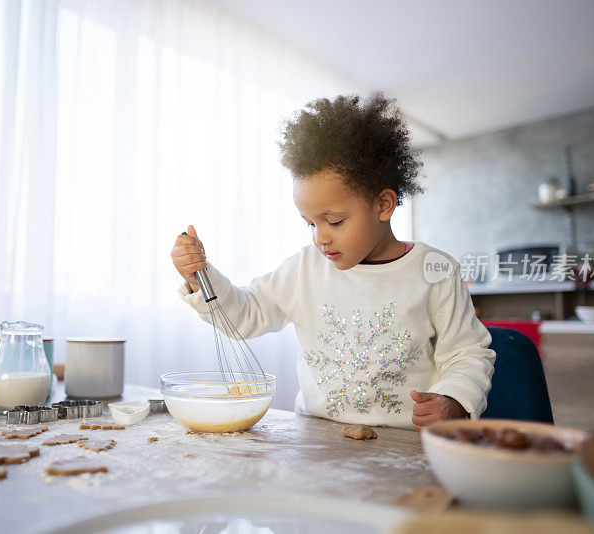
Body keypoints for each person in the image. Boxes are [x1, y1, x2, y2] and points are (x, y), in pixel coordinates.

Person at [170, 93, 495, 430]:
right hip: (317, 440)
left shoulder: (435, 271)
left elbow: (467, 353)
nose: (320, 237)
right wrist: (199, 278)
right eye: (311, 223)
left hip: (405, 446)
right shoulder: (303, 269)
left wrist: (454, 400)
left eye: (335, 221)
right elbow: (245, 313)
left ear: (383, 205)